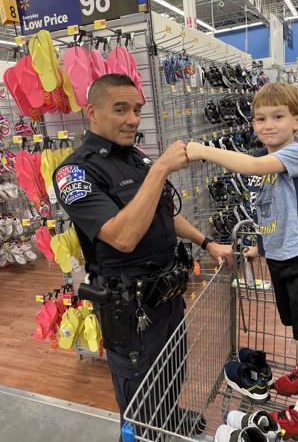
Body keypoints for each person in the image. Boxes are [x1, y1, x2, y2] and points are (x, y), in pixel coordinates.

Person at [53, 73, 232, 438]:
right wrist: (163, 167)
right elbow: (122, 237)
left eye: (136, 110)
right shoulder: (75, 172)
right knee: (139, 398)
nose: (132, 119)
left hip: (167, 295)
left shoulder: (136, 157)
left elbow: (165, 211)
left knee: (171, 372)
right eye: (121, 109)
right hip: (131, 311)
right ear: (93, 113)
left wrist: (206, 242)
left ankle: (169, 418)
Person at [186, 82, 298, 441]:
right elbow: (275, 211)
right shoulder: (268, 159)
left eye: (278, 117)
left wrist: (202, 150)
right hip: (282, 260)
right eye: (260, 118)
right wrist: (260, 247)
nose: (268, 125)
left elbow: (252, 165)